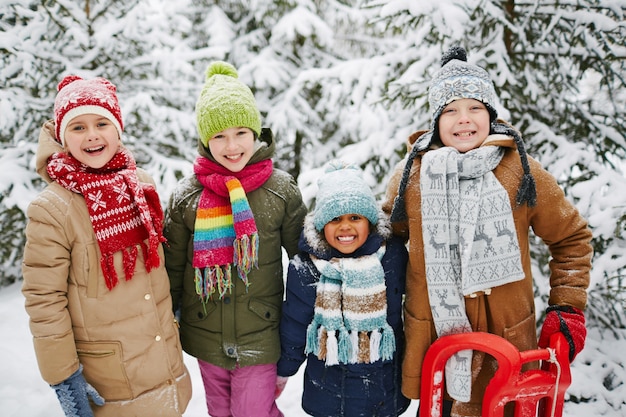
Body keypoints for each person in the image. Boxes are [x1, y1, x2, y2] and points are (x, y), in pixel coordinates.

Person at [383, 46, 593, 417]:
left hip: (506, 342)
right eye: (450, 111)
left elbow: (571, 237)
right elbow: (385, 238)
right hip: (438, 346)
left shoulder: (520, 172)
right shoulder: (411, 178)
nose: (463, 120)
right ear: (436, 120)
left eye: (475, 108)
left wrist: (567, 306)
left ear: (491, 114)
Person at [21, 75, 192, 417]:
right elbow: (44, 299)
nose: (93, 135)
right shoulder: (53, 208)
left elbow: (159, 260)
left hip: (164, 366)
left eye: (102, 123)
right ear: (63, 137)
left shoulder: (140, 184)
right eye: (78, 127)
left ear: (118, 130)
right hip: (112, 379)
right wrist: (63, 376)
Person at [163, 60, 307, 417]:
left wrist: (295, 334)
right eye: (219, 135)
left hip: (262, 330)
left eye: (241, 132)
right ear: (204, 140)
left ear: (256, 133)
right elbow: (171, 268)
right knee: (220, 412)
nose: (231, 146)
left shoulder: (280, 190)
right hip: (204, 331)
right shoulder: (187, 196)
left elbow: (305, 263)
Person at [277, 160, 411, 417]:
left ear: (370, 222)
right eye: (335, 219)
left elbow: (413, 305)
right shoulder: (307, 268)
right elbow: (294, 326)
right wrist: (284, 371)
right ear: (321, 225)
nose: (345, 226)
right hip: (329, 390)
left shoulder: (392, 256)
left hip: (385, 387)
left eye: (355, 218)